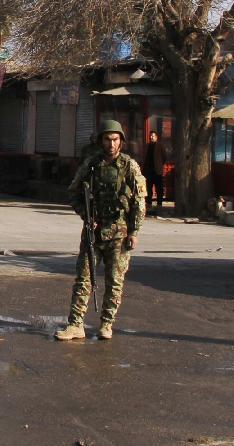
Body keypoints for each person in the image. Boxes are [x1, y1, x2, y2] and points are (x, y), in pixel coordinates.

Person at [55, 119, 146, 341]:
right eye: (107, 139)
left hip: (119, 234)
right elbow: (73, 192)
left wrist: (134, 231)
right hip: (93, 232)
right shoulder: (91, 165)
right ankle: (76, 324)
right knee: (83, 279)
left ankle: (107, 323)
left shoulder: (129, 166)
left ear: (121, 141)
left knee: (115, 281)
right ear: (101, 141)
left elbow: (139, 202)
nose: (111, 144)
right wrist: (87, 216)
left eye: (115, 139)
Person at [143, 131, 166, 215]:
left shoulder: (160, 146)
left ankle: (159, 205)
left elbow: (164, 157)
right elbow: (146, 158)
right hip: (149, 171)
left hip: (157, 171)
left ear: (156, 137)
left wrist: (159, 165)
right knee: (148, 189)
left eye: (153, 136)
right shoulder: (148, 146)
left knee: (159, 189)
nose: (151, 137)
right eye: (150, 136)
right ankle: (149, 204)